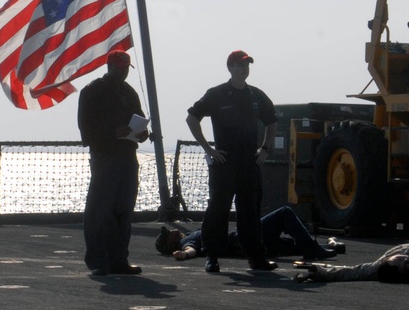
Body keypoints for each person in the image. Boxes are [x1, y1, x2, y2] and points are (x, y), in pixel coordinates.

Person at [186, 50, 278, 273]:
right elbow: (192, 118)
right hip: (224, 161)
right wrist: (208, 149)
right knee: (218, 209)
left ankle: (256, 258)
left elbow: (272, 121)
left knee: (250, 210)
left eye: (247, 65)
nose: (244, 68)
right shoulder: (217, 94)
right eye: (239, 64)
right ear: (230, 67)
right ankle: (212, 256)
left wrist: (265, 149)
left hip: (250, 162)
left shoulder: (256, 95)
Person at [77, 49, 149, 276]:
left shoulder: (129, 92)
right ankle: (98, 260)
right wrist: (112, 133)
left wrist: (141, 133)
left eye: (127, 68)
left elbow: (138, 118)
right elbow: (86, 128)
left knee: (123, 208)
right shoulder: (92, 91)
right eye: (120, 68)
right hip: (105, 155)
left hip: (127, 155)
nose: (124, 72)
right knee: (100, 208)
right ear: (109, 67)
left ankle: (119, 259)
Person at [156, 206, 339, 262]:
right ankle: (316, 248)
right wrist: (184, 254)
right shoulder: (186, 241)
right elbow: (191, 249)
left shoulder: (186, 237)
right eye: (168, 234)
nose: (172, 230)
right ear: (170, 243)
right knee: (284, 213)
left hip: (250, 244)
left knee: (296, 246)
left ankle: (328, 246)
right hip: (246, 237)